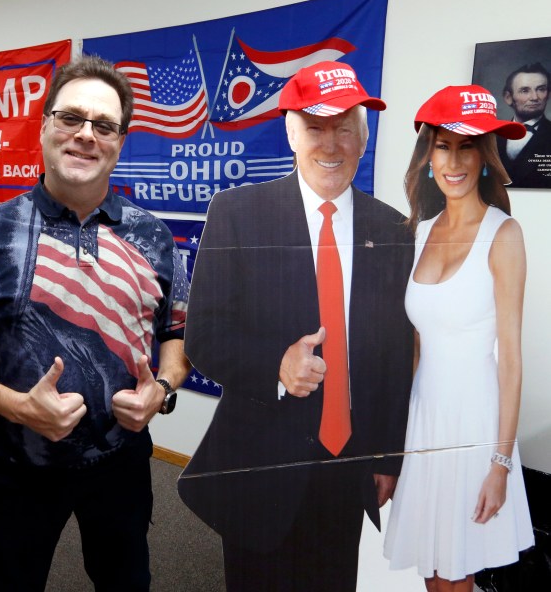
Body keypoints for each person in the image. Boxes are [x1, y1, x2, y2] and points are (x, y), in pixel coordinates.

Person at [0, 54, 191, 592]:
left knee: (125, 582)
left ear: (120, 142)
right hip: (16, 466)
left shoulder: (154, 238)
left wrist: (165, 389)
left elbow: (177, 336)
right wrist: (17, 406)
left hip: (121, 463)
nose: (86, 135)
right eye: (71, 118)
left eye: (103, 125)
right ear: (44, 126)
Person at [177, 61, 415, 591]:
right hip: (260, 463)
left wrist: (386, 453)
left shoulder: (393, 229)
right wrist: (277, 367)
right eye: (314, 127)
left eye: (344, 127)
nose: (330, 144)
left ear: (363, 136)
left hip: (346, 464)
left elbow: (396, 356)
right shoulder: (238, 213)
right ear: (290, 131)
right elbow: (205, 334)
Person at [383, 85, 535, 591]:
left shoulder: (503, 234)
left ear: (485, 155)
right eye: (443, 145)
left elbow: (511, 361)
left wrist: (500, 463)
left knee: (456, 575)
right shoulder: (420, 232)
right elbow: (418, 347)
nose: (454, 160)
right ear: (428, 155)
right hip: (425, 423)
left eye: (467, 146)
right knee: (432, 568)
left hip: (475, 430)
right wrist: (399, 441)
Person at [497, 63, 551, 187]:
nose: (534, 97)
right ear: (508, 97)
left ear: (548, 94)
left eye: (541, 89)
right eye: (524, 90)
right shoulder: (492, 136)